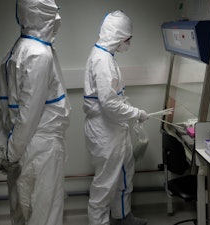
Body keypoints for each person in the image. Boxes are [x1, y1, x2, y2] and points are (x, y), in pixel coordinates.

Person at [0, 0, 71, 224]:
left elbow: (8, 111)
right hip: (41, 148)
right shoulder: (39, 55)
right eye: (53, 9)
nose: (57, 15)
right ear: (42, 14)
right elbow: (28, 116)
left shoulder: (19, 48)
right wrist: (12, 154)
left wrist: (9, 151)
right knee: (45, 215)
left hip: (25, 147)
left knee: (24, 212)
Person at [83, 10, 149, 225]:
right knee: (105, 183)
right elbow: (109, 104)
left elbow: (114, 96)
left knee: (123, 174)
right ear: (119, 37)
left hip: (114, 127)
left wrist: (128, 112)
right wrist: (136, 113)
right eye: (127, 39)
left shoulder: (106, 56)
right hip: (105, 130)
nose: (128, 43)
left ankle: (123, 216)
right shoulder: (102, 60)